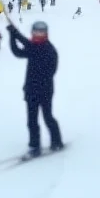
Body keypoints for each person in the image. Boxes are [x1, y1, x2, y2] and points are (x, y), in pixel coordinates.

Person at [8, 21, 64, 158]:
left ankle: (56, 141)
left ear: (46, 33)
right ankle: (34, 146)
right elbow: (18, 52)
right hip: (31, 91)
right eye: (35, 32)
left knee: (48, 117)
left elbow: (51, 70)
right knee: (32, 121)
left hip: (45, 91)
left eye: (41, 32)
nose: (38, 35)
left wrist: (16, 34)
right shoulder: (33, 46)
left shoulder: (49, 50)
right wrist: (13, 34)